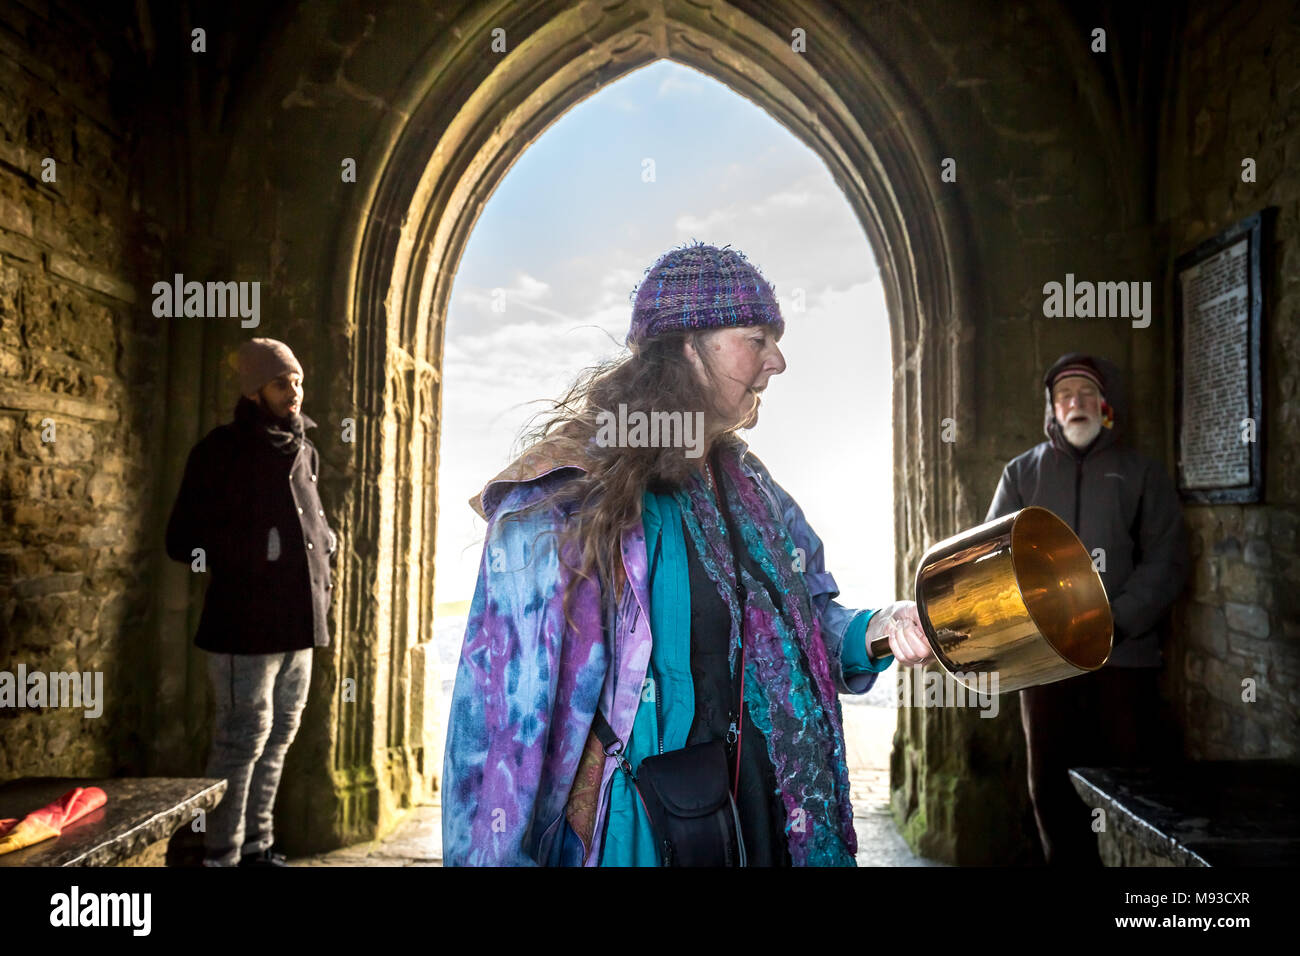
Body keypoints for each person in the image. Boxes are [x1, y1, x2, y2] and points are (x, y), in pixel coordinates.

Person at [442, 241, 934, 867]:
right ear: (687, 344)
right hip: (646, 830)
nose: (778, 360)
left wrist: (881, 630)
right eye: (756, 337)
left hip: (766, 815)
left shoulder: (753, 488)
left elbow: (808, 627)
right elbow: (501, 723)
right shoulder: (566, 495)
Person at [985, 352, 1189, 865]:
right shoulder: (1021, 473)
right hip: (1046, 664)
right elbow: (993, 558)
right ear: (1052, 410)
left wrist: (1114, 621)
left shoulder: (1141, 473)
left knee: (1127, 789)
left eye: (1084, 394)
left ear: (1104, 404)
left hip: (1124, 660)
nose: (1074, 404)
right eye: (1063, 396)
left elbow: (1168, 559)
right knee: (1050, 789)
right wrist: (1041, 627)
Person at [164, 337, 337, 867]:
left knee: (280, 736)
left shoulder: (305, 451)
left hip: (300, 624)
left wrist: (329, 544)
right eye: (282, 382)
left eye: (298, 380)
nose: (295, 392)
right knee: (242, 741)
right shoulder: (220, 450)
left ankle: (258, 849)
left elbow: (312, 530)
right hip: (244, 624)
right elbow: (182, 541)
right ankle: (223, 856)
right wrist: (256, 553)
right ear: (255, 389)